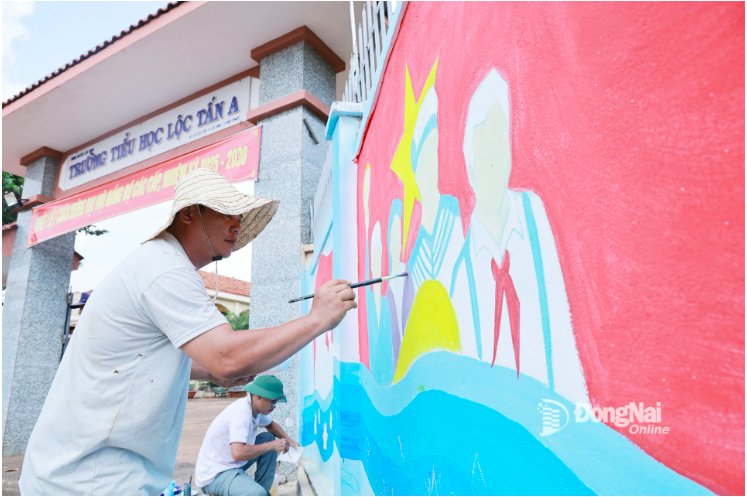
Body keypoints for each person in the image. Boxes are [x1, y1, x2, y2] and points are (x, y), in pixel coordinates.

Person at [19, 168, 357, 495]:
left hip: (88, 473)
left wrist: (208, 370)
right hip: (91, 479)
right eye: (228, 213)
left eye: (240, 217)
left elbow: (159, 358)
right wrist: (317, 319)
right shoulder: (165, 269)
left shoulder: (159, 264)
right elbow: (227, 357)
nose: (238, 226)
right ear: (188, 214)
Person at [195, 375, 297, 496]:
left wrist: (289, 441)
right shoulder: (241, 413)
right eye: (273, 401)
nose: (274, 406)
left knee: (268, 437)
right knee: (257, 492)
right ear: (259, 396)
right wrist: (271, 445)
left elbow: (271, 425)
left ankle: (262, 492)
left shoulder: (254, 409)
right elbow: (238, 453)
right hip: (215, 474)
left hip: (231, 463)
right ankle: (257, 493)